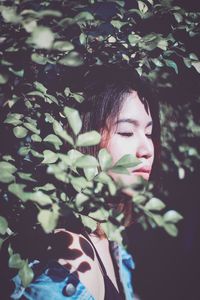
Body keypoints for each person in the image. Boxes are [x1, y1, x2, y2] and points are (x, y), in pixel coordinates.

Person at [9, 66, 160, 300]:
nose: (147, 149)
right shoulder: (72, 256)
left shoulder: (110, 240)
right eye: (127, 132)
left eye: (149, 134)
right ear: (83, 139)